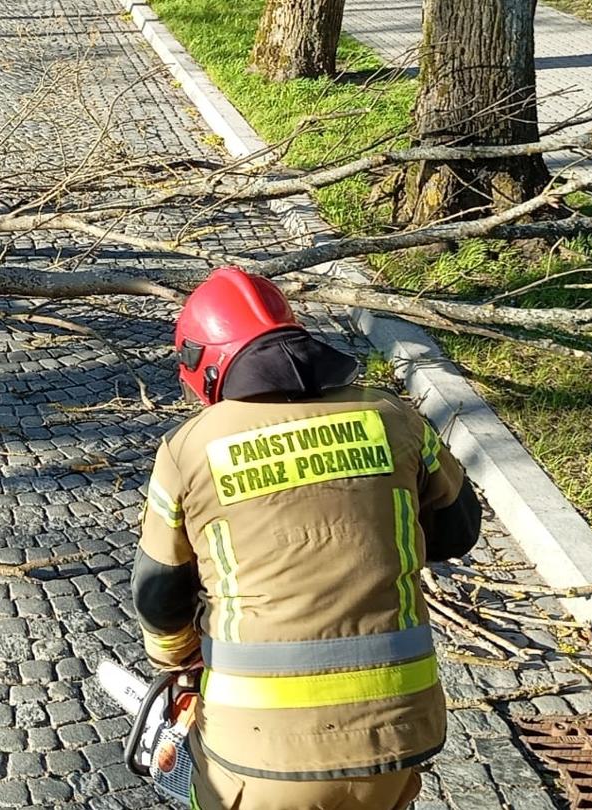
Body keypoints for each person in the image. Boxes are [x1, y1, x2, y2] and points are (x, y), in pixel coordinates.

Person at [132, 266, 483, 810]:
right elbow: (459, 531)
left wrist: (180, 662)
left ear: (203, 366)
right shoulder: (393, 417)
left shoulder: (189, 449)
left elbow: (158, 594)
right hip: (400, 735)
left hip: (257, 758)